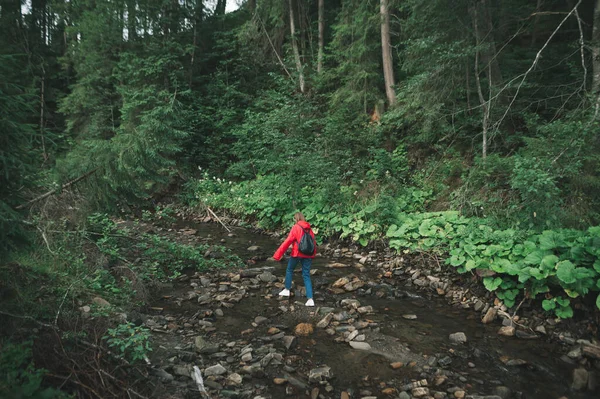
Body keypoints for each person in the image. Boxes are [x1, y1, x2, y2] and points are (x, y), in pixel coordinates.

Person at [273, 212, 316, 307]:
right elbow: (313, 242)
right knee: (306, 275)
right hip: (308, 254)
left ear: (296, 219)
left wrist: (278, 254)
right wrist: (312, 255)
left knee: (289, 270)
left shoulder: (296, 227)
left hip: (297, 253)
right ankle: (310, 299)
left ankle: (287, 290)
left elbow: (288, 241)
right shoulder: (309, 228)